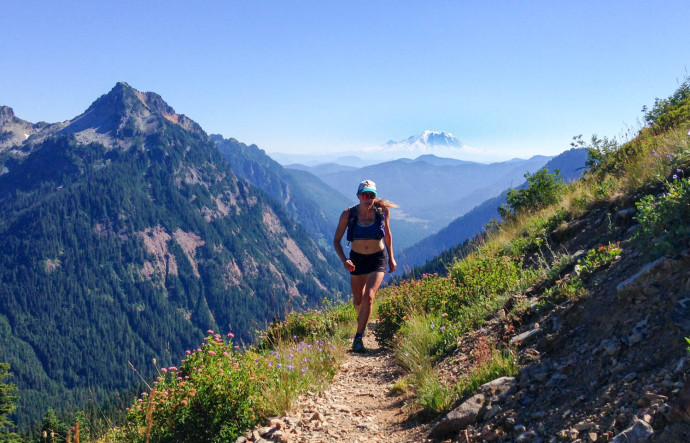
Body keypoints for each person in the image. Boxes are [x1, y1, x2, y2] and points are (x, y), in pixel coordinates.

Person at [333, 179, 397, 353]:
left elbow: (388, 235)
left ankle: (358, 337)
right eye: (364, 195)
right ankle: (363, 321)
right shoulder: (348, 214)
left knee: (369, 296)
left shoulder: (382, 212)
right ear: (358, 196)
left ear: (375, 196)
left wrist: (391, 258)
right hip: (357, 260)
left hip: (377, 258)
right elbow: (336, 241)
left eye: (371, 195)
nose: (368, 198)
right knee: (358, 300)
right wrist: (344, 260)